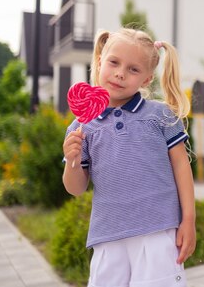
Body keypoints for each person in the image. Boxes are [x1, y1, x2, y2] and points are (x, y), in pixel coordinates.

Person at [62, 28, 196, 287]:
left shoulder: (161, 116)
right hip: (108, 236)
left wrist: (188, 219)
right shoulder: (82, 127)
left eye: (133, 69)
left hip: (158, 231)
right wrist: (72, 160)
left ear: (146, 79)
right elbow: (76, 188)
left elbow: (181, 166)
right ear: (100, 62)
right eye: (114, 62)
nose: (120, 73)